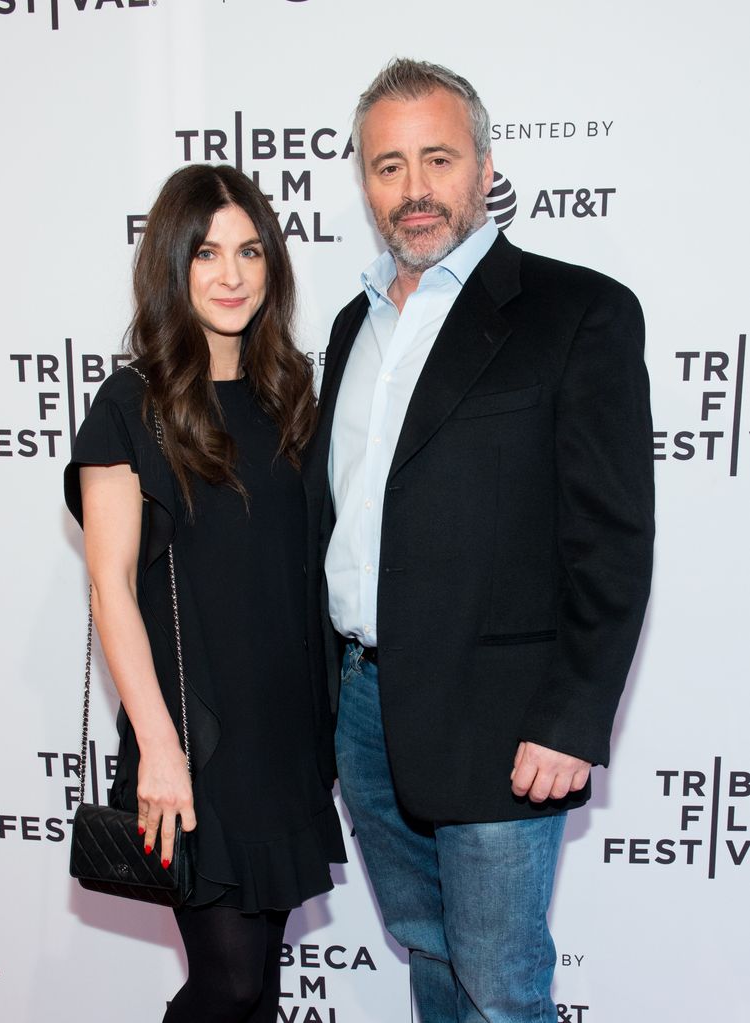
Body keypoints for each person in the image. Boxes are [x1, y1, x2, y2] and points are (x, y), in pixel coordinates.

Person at [302, 59, 654, 1022]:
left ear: (483, 165)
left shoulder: (576, 312)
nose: (413, 189)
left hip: (504, 721)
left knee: (500, 988)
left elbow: (611, 536)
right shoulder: (350, 327)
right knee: (426, 955)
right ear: (365, 184)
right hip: (365, 710)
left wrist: (574, 717)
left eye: (437, 158)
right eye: (387, 166)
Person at [64, 163, 346, 1023]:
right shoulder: (130, 405)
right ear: (172, 265)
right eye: (207, 253)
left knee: (257, 986)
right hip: (194, 737)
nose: (231, 275)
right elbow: (110, 587)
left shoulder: (292, 393)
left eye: (250, 251)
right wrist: (157, 747)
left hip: (287, 737)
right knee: (224, 981)